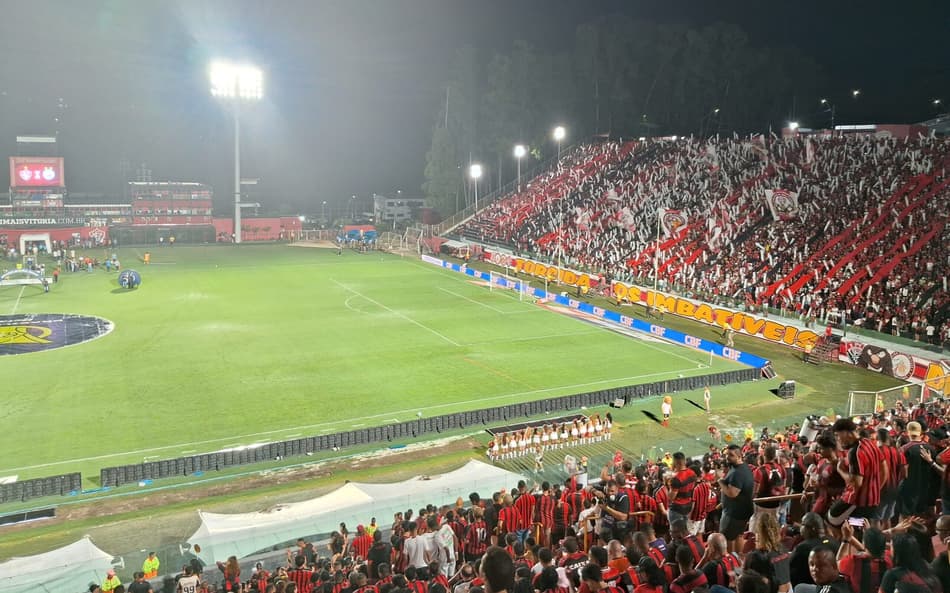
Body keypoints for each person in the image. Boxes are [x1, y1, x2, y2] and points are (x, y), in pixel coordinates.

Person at [827, 418, 886, 530]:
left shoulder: (855, 453)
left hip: (857, 501)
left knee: (832, 520)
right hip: (872, 500)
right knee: (860, 527)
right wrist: (876, 489)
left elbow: (856, 483)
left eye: (838, 435)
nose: (838, 439)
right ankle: (861, 533)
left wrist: (841, 470)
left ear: (847, 433)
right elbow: (885, 468)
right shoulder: (869, 442)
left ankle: (848, 541)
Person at [719, 444, 755, 555]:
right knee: (738, 535)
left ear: (739, 456)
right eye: (727, 455)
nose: (727, 457)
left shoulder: (737, 473)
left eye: (731, 455)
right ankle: (739, 558)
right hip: (742, 510)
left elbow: (732, 493)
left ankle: (731, 561)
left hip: (735, 513)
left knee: (727, 538)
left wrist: (720, 481)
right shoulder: (741, 467)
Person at [836, 523, 889, 593]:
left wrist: (846, 539)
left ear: (864, 544)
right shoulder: (890, 558)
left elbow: (837, 562)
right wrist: (870, 535)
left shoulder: (853, 562)